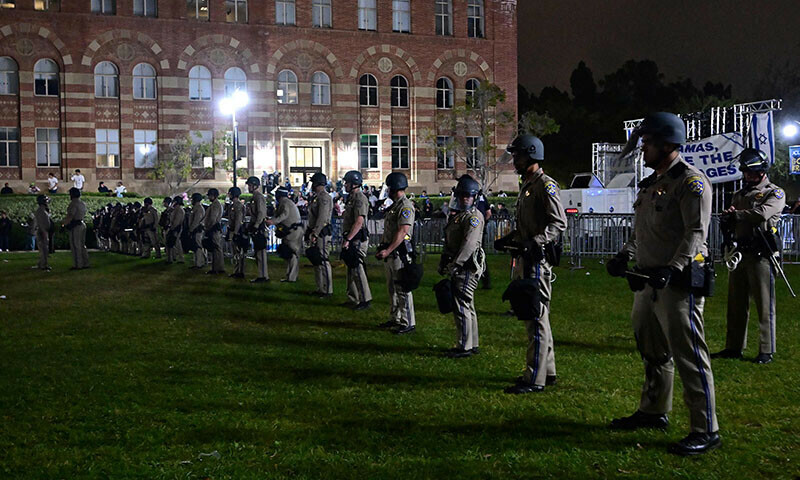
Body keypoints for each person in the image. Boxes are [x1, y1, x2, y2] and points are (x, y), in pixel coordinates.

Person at [605, 112, 719, 456]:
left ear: (668, 143)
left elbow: (696, 234)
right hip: (647, 279)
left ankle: (706, 428)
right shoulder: (652, 183)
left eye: (649, 142)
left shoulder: (690, 182)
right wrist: (625, 254)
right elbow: (644, 231)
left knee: (690, 356)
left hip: (676, 282)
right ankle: (654, 410)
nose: (643, 148)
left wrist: (673, 268)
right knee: (652, 350)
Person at [497, 135, 566, 395]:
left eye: (518, 156)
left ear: (532, 155)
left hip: (537, 260)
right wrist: (510, 239)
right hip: (528, 256)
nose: (515, 161)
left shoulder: (544, 185)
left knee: (534, 317)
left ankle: (533, 377)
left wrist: (535, 242)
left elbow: (558, 223)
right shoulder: (528, 185)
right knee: (540, 318)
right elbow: (526, 226)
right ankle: (547, 371)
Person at [712, 149, 785, 365]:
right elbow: (736, 220)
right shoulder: (739, 194)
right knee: (736, 304)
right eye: (745, 172)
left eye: (752, 172)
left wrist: (737, 214)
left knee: (764, 304)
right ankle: (734, 347)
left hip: (761, 253)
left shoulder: (775, 192)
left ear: (762, 171)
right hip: (741, 253)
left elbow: (762, 214)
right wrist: (728, 219)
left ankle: (766, 349)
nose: (748, 176)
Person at [439, 175, 486, 357]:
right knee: (466, 305)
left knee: (462, 306)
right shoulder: (462, 216)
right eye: (461, 195)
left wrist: (455, 265)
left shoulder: (473, 217)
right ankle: (471, 343)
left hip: (466, 266)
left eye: (468, 195)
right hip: (461, 264)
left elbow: (469, 244)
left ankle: (464, 346)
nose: (464, 199)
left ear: (474, 197)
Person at [375, 172, 416, 334]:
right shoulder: (395, 206)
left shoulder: (405, 206)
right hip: (392, 252)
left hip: (400, 253)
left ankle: (408, 322)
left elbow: (403, 231)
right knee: (392, 288)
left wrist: (388, 250)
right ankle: (395, 318)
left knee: (402, 288)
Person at [341, 170, 372, 310]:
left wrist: (348, 238)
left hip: (357, 238)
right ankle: (353, 297)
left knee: (357, 268)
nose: (345, 185)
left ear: (354, 184)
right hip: (352, 237)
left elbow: (359, 221)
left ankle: (365, 299)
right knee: (351, 268)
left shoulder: (360, 198)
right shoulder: (352, 198)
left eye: (347, 182)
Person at [306, 173, 334, 297]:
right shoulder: (318, 197)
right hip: (317, 232)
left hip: (321, 232)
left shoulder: (324, 198)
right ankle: (320, 287)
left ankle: (327, 289)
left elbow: (322, 217)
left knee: (323, 260)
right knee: (317, 260)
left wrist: (315, 233)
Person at [267, 186, 303, 283]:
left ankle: (291, 277)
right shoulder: (285, 202)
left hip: (293, 232)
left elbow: (283, 215)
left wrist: (273, 222)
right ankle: (290, 276)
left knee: (292, 254)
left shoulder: (285, 203)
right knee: (290, 254)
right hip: (291, 231)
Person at [246, 176, 269, 282]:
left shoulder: (258, 197)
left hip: (259, 227)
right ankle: (261, 274)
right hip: (256, 225)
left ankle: (263, 276)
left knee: (261, 252)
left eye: (250, 185)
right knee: (258, 252)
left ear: (255, 186)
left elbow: (261, 213)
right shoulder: (254, 197)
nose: (248, 187)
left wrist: (256, 226)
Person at [62, 187, 90, 269]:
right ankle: (86, 262)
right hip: (82, 224)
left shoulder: (73, 204)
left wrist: (64, 224)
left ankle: (78, 264)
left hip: (75, 225)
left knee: (75, 245)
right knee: (82, 245)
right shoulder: (82, 203)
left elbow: (70, 215)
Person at [203, 188, 225, 274]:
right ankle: (217, 267)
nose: (209, 197)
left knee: (216, 248)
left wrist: (208, 227)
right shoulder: (215, 204)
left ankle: (217, 268)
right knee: (216, 248)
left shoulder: (216, 205)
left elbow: (213, 218)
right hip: (214, 228)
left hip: (214, 228)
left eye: (210, 195)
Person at [475, 188, 493, 289]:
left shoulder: (470, 197)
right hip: (481, 230)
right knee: (481, 256)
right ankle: (485, 281)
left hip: (473, 230)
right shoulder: (482, 197)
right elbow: (488, 213)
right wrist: (483, 223)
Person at [227, 187, 246, 279]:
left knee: (237, 252)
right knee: (235, 252)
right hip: (233, 229)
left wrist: (235, 232)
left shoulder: (238, 205)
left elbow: (238, 220)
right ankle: (237, 270)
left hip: (236, 231)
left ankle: (239, 271)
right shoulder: (233, 205)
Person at [33, 195, 51, 270]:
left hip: (42, 231)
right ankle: (43, 264)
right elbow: (41, 224)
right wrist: (44, 232)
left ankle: (42, 263)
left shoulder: (42, 210)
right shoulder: (41, 211)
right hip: (42, 231)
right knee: (43, 249)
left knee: (44, 249)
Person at [188, 192, 206, 269]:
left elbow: (196, 221)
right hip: (195, 229)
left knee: (198, 246)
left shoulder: (198, 208)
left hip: (197, 230)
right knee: (196, 246)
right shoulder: (196, 207)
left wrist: (191, 229)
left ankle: (199, 263)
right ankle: (197, 262)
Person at [166, 196, 185, 264]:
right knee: (172, 243)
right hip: (174, 228)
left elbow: (177, 221)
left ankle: (180, 258)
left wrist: (172, 228)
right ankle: (172, 257)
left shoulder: (179, 210)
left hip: (176, 229)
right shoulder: (176, 209)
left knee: (177, 243)